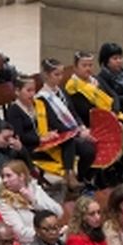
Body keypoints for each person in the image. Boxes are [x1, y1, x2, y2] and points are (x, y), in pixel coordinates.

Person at [35, 59, 97, 190]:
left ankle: (83, 177)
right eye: (56, 74)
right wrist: (78, 133)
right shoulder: (42, 97)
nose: (60, 78)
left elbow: (73, 113)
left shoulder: (62, 91)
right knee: (86, 149)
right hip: (58, 135)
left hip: (73, 130)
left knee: (91, 148)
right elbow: (53, 122)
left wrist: (82, 127)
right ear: (46, 75)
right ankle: (70, 175)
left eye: (61, 74)